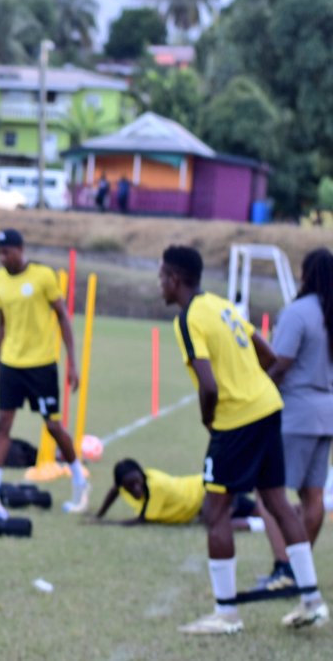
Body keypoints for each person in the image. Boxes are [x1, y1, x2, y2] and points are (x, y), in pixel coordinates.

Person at [159, 244, 327, 634]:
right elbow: (268, 356)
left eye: (162, 277)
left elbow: (209, 386)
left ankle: (226, 613)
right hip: (269, 407)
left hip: (236, 421)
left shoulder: (187, 319)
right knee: (278, 502)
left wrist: (210, 422)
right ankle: (312, 600)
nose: (160, 285)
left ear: (175, 279)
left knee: (215, 511)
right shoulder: (221, 304)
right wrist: (250, 384)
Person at [0, 228, 88, 516]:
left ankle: (79, 480)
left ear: (21, 248)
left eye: (8, 252)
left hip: (41, 365)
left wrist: (72, 362)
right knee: (2, 424)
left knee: (52, 426)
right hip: (11, 363)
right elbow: (1, 323)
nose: (3, 258)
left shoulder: (43, 276)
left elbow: (63, 317)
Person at [93, 459, 297, 593]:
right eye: (130, 487)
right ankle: (285, 514)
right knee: (259, 509)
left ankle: (267, 522)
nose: (135, 489)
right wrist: (99, 514)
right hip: (200, 501)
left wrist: (108, 522)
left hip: (205, 494)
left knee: (223, 522)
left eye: (137, 483)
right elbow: (114, 489)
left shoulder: (156, 487)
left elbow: (143, 520)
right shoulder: (131, 483)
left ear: (143, 477)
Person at [268, 247, 333, 547]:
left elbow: (280, 363)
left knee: (272, 493)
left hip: (297, 413)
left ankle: (285, 566)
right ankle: (302, 567)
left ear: (305, 274)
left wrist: (260, 389)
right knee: (313, 495)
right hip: (326, 413)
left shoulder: (299, 312)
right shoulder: (329, 314)